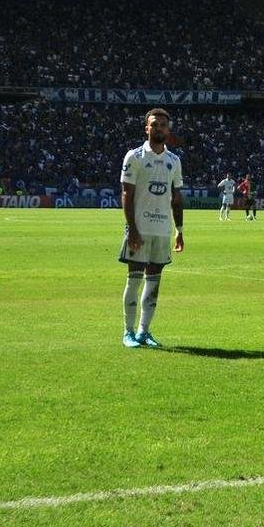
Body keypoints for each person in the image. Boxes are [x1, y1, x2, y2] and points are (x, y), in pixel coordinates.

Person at [118, 108, 184, 348]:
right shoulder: (134, 157)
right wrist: (132, 228)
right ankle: (128, 332)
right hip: (140, 229)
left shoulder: (174, 161)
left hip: (162, 231)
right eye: (154, 124)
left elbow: (176, 198)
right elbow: (127, 194)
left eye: (163, 125)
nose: (159, 128)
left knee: (154, 282)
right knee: (134, 280)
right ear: (146, 128)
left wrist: (180, 230)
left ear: (168, 130)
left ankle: (145, 332)